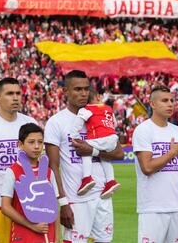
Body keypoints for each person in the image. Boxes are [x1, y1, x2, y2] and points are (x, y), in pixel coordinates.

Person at [44, 70, 124, 243]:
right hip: (76, 199)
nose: (83, 94)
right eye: (77, 89)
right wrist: (63, 202)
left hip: (103, 196)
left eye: (86, 89)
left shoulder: (101, 116)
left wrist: (93, 151)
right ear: (65, 91)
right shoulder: (56, 122)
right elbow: (52, 167)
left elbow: (119, 153)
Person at [132, 85, 178, 243]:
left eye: (172, 100)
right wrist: (171, 153)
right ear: (152, 104)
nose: (170, 104)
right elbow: (147, 168)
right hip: (152, 209)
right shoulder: (143, 130)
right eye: (165, 100)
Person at [0, 78, 37, 243]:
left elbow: (38, 167)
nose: (16, 97)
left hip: (26, 206)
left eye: (18, 93)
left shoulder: (30, 123)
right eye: (10, 93)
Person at [1, 123, 60, 243]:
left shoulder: (49, 172)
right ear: (20, 144)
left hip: (48, 236)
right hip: (23, 234)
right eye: (31, 142)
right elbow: (5, 207)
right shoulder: (12, 171)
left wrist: (57, 237)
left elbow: (55, 208)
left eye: (40, 142)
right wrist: (31, 225)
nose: (37, 146)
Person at [70, 89, 120, 198]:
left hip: (99, 136)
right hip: (112, 138)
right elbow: (114, 124)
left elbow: (77, 125)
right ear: (97, 97)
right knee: (105, 158)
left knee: (86, 151)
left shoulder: (86, 109)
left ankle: (87, 178)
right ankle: (111, 181)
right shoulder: (108, 109)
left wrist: (75, 138)